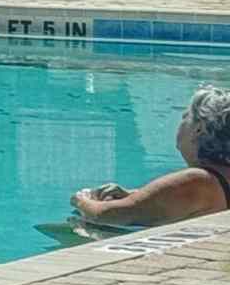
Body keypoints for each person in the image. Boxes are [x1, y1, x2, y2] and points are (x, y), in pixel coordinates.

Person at [73, 86, 230, 231]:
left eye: (185, 118)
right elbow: (178, 200)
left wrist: (82, 200)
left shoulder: (198, 181)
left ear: (198, 129)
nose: (180, 124)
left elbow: (110, 215)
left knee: (71, 229)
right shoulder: (218, 180)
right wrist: (133, 195)